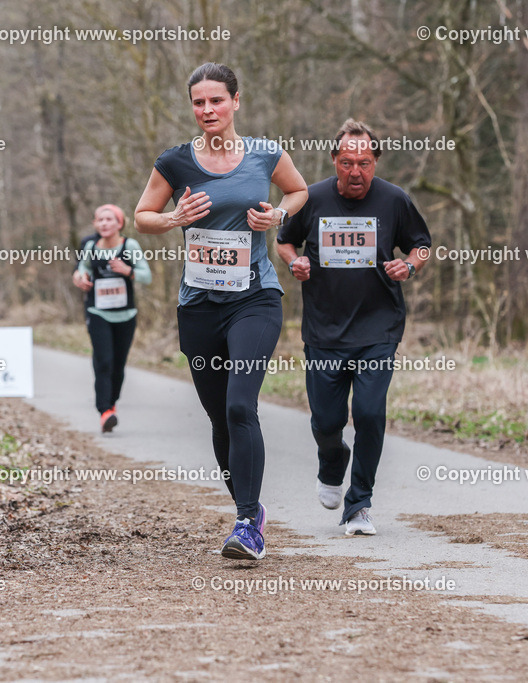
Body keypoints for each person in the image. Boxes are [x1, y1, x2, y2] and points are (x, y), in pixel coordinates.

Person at [135, 62, 308, 560]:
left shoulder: (264, 154)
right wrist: (173, 218)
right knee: (219, 417)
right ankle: (249, 510)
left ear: (236, 101)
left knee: (239, 406)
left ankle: (247, 524)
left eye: (216, 100)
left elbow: (298, 190)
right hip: (199, 306)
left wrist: (278, 215)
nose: (207, 110)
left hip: (254, 299)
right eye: (199, 102)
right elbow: (141, 217)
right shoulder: (175, 162)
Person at [277, 118, 432, 536]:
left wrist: (409, 267)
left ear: (375, 161)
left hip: (378, 328)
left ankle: (359, 503)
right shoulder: (311, 198)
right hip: (324, 330)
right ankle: (332, 461)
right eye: (347, 162)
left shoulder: (394, 200)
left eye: (364, 163)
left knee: (369, 413)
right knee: (325, 423)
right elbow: (283, 239)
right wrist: (295, 261)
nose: (356, 171)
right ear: (334, 160)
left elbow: (421, 244)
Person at [72, 204, 152, 432]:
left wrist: (127, 270)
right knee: (104, 360)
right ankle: (104, 410)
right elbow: (82, 269)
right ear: (95, 224)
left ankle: (111, 403)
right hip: (98, 312)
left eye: (109, 219)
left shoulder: (129, 246)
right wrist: (80, 278)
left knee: (118, 363)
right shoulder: (90, 246)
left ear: (119, 224)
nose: (104, 223)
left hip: (126, 314)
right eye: (100, 220)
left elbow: (146, 276)